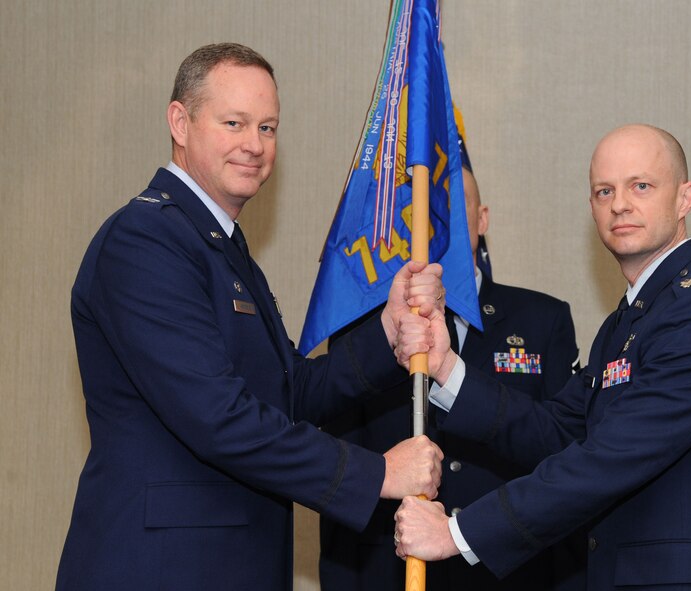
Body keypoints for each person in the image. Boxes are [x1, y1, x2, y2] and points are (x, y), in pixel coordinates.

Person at [55, 43, 446, 591]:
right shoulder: (145, 240)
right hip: (163, 568)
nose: (254, 145)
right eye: (234, 122)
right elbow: (217, 416)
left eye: (268, 127)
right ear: (180, 122)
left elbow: (288, 391)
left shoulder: (218, 245)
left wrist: (388, 333)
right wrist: (376, 474)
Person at [394, 124, 691, 590]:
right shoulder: (632, 318)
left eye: (641, 186)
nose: (619, 204)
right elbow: (557, 430)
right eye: (604, 190)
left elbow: (607, 460)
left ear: (685, 198)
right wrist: (446, 367)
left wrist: (458, 532)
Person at [319, 132, 586, 590]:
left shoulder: (544, 320)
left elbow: (563, 457)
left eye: (453, 208)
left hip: (512, 575)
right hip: (391, 573)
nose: (437, 224)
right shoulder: (365, 332)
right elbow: (342, 479)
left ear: (482, 220)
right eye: (425, 209)